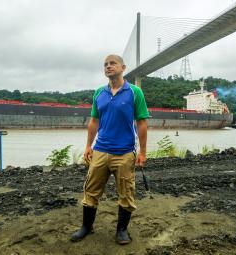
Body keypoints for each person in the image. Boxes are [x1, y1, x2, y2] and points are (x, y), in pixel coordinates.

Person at [70, 54, 149, 244]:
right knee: (90, 191)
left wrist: (143, 152)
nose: (108, 66)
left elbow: (142, 123)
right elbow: (94, 121)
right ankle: (86, 227)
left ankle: (121, 230)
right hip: (100, 151)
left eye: (112, 63)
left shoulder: (135, 92)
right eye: (105, 64)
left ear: (123, 67)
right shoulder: (99, 93)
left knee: (126, 193)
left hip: (124, 153)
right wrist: (89, 146)